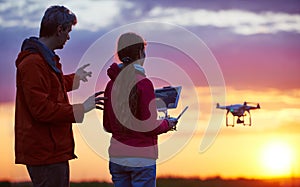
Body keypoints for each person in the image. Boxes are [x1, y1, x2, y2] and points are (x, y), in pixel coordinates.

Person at [14, 5, 105, 187]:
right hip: (45, 153)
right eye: (68, 31)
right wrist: (82, 108)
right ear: (59, 30)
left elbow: (49, 86)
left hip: (52, 150)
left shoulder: (44, 59)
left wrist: (75, 79)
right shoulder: (33, 63)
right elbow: (41, 109)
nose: (68, 37)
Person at [103, 32, 177, 187]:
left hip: (117, 157)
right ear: (139, 53)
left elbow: (108, 126)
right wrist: (167, 124)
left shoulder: (110, 85)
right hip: (142, 157)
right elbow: (148, 126)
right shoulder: (144, 84)